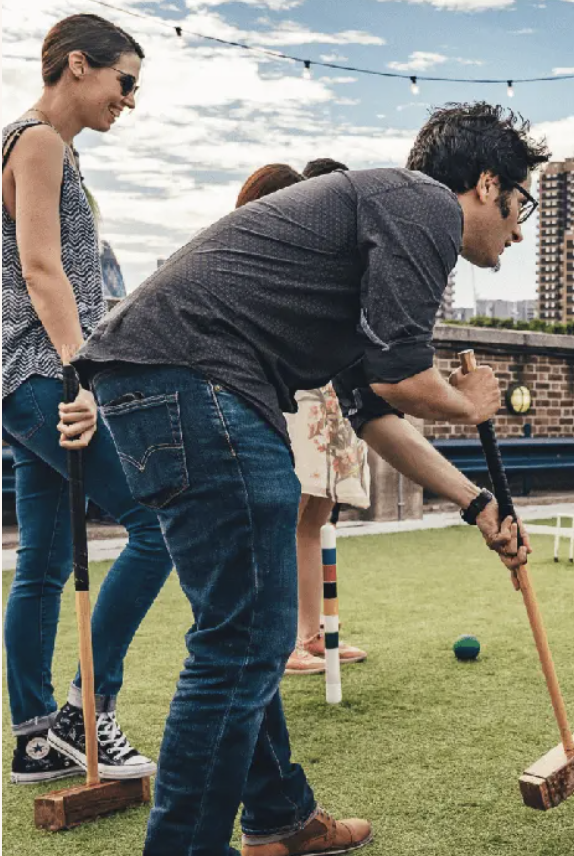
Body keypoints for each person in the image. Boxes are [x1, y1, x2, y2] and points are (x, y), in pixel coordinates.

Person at [75, 102, 545, 856]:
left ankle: (277, 818)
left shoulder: (375, 228)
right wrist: (469, 402)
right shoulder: (421, 202)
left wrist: (478, 504)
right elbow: (404, 377)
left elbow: (372, 410)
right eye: (520, 204)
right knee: (246, 637)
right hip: (199, 380)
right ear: (488, 183)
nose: (519, 229)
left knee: (240, 628)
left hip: (158, 382)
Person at [2, 13, 171, 785]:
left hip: (26, 374)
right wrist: (80, 377)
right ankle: (83, 716)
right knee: (156, 523)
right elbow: (43, 269)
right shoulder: (37, 141)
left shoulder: (48, 147)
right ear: (79, 65)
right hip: (42, 374)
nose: (129, 99)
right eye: (124, 81)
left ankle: (37, 739)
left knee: (41, 558)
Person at [231, 162, 374, 676]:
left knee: (316, 515)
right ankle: (279, 641)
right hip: (286, 395)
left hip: (320, 392)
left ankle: (312, 633)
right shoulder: (256, 252)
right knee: (287, 516)